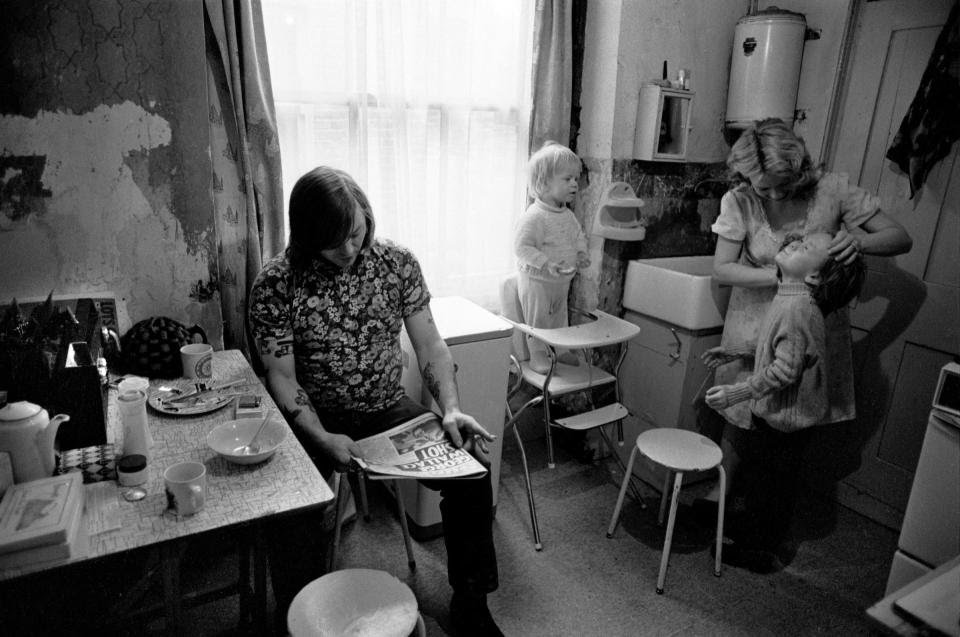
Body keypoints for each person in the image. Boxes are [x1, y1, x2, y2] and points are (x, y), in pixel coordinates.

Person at [248, 166, 502, 636]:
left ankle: (471, 603)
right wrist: (322, 436)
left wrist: (450, 406)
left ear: (367, 218)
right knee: (288, 505)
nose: (348, 251)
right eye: (333, 243)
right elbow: (280, 377)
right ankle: (304, 616)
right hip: (316, 419)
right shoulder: (276, 283)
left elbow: (431, 345)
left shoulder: (396, 263)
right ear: (306, 238)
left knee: (471, 470)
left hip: (387, 408)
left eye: (356, 234)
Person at [700, 118, 912, 563]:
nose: (770, 196)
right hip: (756, 318)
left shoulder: (832, 190)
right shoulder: (740, 199)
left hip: (807, 323)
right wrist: (781, 274)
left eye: (779, 186)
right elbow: (722, 269)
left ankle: (762, 531)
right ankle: (730, 507)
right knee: (746, 428)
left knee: (782, 440)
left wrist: (854, 241)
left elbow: (900, 237)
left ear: (798, 169)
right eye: (760, 187)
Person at [703, 231, 866, 570]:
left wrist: (736, 391)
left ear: (814, 275)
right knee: (764, 480)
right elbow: (779, 348)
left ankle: (762, 552)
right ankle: (754, 529)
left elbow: (785, 371)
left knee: (772, 487)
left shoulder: (797, 309)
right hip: (782, 416)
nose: (793, 244)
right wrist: (735, 352)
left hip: (787, 421)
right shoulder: (791, 296)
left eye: (804, 247)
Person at [514, 141, 590, 373]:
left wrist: (581, 253)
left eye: (576, 179)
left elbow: (577, 235)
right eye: (567, 179)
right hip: (537, 282)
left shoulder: (566, 214)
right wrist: (545, 264)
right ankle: (538, 355)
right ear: (544, 183)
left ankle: (561, 349)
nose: (575, 184)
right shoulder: (535, 216)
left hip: (560, 281)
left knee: (559, 316)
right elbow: (521, 247)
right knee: (538, 322)